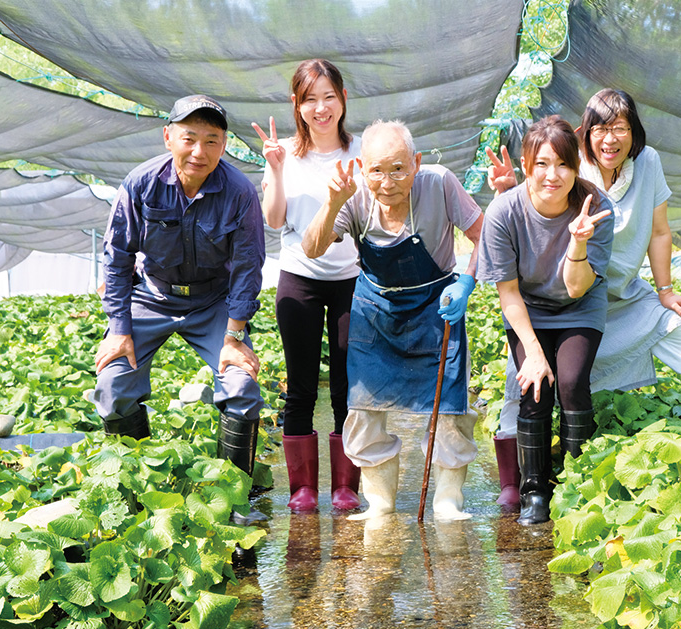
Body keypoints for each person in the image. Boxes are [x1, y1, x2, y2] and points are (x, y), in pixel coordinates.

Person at [488, 89, 681, 506]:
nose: (610, 139)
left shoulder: (640, 168)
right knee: (528, 382)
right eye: (601, 128)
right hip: (551, 295)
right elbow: (523, 233)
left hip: (605, 290)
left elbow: (658, 232)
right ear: (585, 134)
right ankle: (519, 485)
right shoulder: (568, 165)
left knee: (673, 330)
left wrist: (666, 290)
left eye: (620, 128)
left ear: (633, 132)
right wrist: (512, 190)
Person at [302, 120, 483, 522]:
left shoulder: (439, 184)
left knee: (451, 407)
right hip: (374, 312)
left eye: (398, 169)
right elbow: (312, 249)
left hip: (436, 306)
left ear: (416, 164)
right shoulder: (352, 195)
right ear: (363, 168)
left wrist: (467, 282)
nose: (387, 182)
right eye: (377, 171)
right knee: (364, 407)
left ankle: (448, 500)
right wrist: (333, 203)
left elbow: (484, 233)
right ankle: (380, 501)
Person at [92, 95, 266, 497]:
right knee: (113, 386)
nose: (199, 152)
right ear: (168, 137)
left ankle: (232, 499)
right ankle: (135, 497)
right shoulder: (141, 184)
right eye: (189, 138)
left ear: (224, 145)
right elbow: (117, 257)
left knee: (241, 386)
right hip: (152, 295)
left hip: (214, 303)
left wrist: (234, 335)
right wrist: (119, 329)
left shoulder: (240, 192)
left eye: (211, 140)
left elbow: (247, 266)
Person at [477, 115, 613, 525]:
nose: (552, 175)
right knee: (534, 389)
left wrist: (578, 241)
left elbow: (576, 289)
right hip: (528, 309)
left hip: (580, 306)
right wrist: (533, 353)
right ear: (525, 164)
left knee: (570, 382)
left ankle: (576, 485)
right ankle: (534, 490)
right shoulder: (503, 212)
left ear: (576, 167)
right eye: (542, 164)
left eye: (563, 165)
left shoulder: (596, 208)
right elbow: (509, 293)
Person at [252, 59, 362, 512]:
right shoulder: (287, 157)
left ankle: (344, 487)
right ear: (297, 106)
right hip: (298, 277)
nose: (321, 108)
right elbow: (274, 220)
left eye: (328, 97)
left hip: (352, 280)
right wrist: (275, 168)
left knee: (346, 385)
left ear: (342, 100)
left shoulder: (360, 150)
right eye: (310, 99)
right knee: (299, 385)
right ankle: (302, 489)